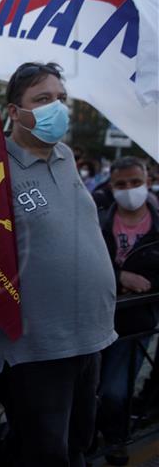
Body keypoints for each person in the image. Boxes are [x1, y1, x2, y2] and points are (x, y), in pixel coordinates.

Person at [0, 62, 117, 466]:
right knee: (44, 455)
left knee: (78, 444)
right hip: (33, 349)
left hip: (88, 338)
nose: (57, 108)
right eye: (43, 99)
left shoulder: (64, 156)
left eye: (61, 98)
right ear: (14, 111)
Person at [97, 156, 159, 466]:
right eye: (121, 185)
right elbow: (84, 260)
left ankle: (116, 441)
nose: (129, 190)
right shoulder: (99, 220)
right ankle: (94, 437)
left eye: (136, 182)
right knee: (92, 386)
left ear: (148, 181)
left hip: (136, 323)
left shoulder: (158, 223)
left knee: (114, 389)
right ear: (111, 187)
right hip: (95, 320)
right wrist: (119, 276)